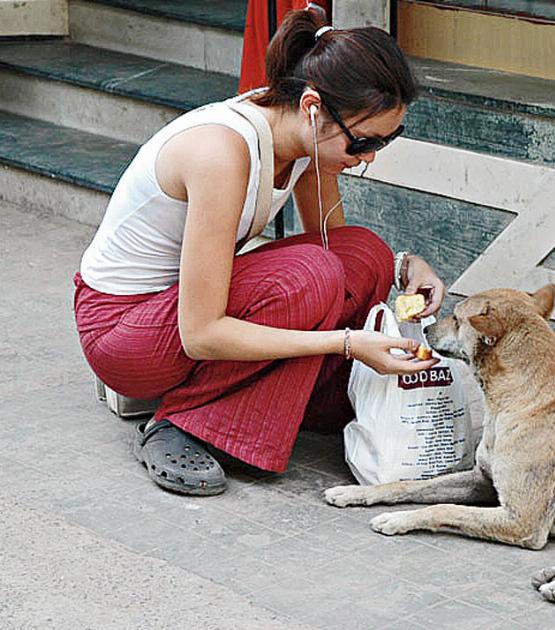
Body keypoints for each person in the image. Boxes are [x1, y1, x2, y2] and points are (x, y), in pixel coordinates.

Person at [73, 9, 445, 496]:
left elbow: (340, 250)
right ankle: (182, 422)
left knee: (365, 254)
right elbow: (201, 333)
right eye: (363, 141)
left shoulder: (306, 139)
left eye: (385, 141)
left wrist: (404, 268)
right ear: (312, 107)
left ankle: (294, 401)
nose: (368, 156)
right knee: (309, 275)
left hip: (178, 310)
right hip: (123, 332)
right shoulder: (221, 152)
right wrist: (346, 344)